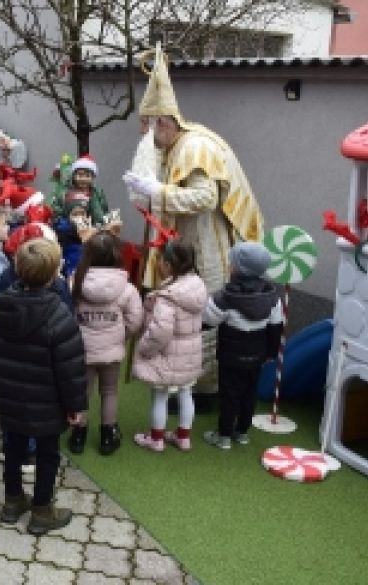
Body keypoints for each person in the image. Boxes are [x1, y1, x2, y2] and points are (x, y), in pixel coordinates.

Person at [123, 44, 264, 408]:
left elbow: (206, 198)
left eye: (146, 125)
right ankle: (185, 385)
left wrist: (157, 191)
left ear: (162, 122)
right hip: (187, 243)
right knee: (186, 313)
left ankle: (202, 391)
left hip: (207, 243)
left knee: (202, 315)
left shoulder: (194, 147)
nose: (143, 133)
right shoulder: (175, 146)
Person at [0, 238, 88, 535]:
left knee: (13, 446)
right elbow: (70, 367)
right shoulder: (59, 315)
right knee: (47, 453)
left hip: (11, 395)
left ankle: (12, 500)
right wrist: (75, 405)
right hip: (47, 401)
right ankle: (42, 510)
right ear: (54, 273)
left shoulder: (2, 305)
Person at [201, 242, 284, 449]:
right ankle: (242, 432)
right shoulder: (272, 297)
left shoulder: (226, 297)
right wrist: (270, 353)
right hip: (257, 355)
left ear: (238, 268)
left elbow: (208, 320)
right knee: (249, 393)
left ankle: (224, 436)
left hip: (231, 357)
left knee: (229, 395)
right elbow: (276, 327)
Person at [71, 232, 143, 455]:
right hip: (112, 351)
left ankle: (78, 435)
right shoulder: (127, 288)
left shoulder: (76, 282)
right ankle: (107, 436)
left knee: (83, 392)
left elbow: (69, 314)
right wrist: (121, 336)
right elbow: (135, 320)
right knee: (110, 391)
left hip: (82, 349)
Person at [132, 239, 207, 452]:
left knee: (160, 395)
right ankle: (183, 437)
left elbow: (160, 332)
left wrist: (144, 348)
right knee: (186, 392)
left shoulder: (168, 297)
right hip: (190, 354)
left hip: (167, 355)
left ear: (168, 265)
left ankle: (156, 439)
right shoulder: (198, 286)